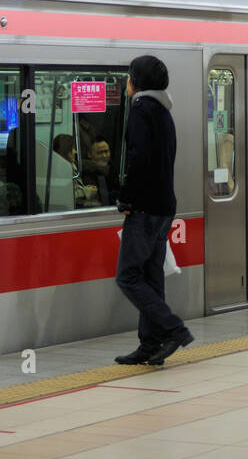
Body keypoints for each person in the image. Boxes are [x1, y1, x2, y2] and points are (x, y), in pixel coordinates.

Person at [113, 55, 194, 366]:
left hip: (145, 208)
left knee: (128, 276)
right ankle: (150, 343)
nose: (126, 83)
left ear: (136, 81)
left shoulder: (140, 111)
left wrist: (127, 199)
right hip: (164, 207)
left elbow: (137, 161)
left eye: (129, 77)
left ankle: (172, 329)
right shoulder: (163, 112)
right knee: (151, 275)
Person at [82, 138, 113, 206]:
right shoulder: (87, 173)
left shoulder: (112, 169)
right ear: (89, 154)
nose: (104, 156)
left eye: (106, 151)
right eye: (100, 152)